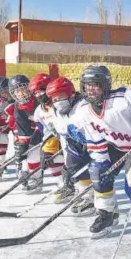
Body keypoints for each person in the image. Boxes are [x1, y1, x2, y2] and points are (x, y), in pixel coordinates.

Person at [77, 65, 131, 239]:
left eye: (96, 84)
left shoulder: (125, 99)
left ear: (106, 85)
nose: (91, 89)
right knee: (98, 173)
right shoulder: (83, 111)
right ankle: (107, 213)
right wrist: (101, 163)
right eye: (87, 85)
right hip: (117, 147)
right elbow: (95, 141)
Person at [43, 76, 95, 215]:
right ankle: (84, 194)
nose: (57, 101)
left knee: (90, 171)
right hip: (73, 146)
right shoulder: (56, 111)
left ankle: (91, 199)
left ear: (71, 93)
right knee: (74, 167)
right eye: (54, 98)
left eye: (61, 96)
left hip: (93, 146)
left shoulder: (83, 106)